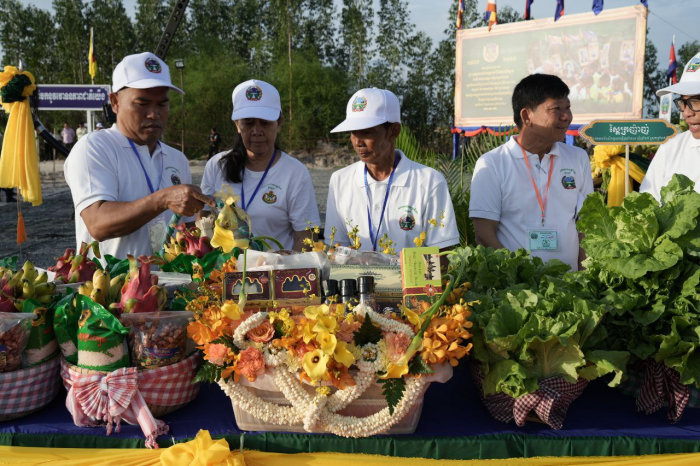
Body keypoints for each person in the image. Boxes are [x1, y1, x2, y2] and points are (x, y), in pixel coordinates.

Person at [64, 52, 214, 261]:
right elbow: (98, 224)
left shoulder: (176, 158)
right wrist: (162, 199)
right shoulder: (95, 148)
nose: (154, 114)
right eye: (142, 104)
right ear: (115, 102)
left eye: (162, 104)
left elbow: (188, 231)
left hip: (170, 281)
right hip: (110, 281)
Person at [469, 74, 593, 271]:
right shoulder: (493, 163)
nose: (566, 116)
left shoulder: (578, 158)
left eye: (568, 108)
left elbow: (587, 225)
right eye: (556, 109)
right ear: (527, 116)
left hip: (570, 284)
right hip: (516, 288)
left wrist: (584, 278)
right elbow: (484, 235)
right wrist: (521, 278)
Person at [325, 88, 459, 253]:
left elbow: (442, 253)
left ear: (394, 131)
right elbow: (337, 249)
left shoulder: (429, 182)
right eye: (353, 133)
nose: (358, 142)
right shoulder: (340, 181)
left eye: (367, 132)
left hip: (410, 272)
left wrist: (397, 268)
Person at [200, 79, 320, 251]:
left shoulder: (295, 173)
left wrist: (287, 263)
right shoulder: (217, 166)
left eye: (265, 123)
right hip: (223, 267)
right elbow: (203, 218)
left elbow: (305, 236)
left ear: (279, 123)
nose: (257, 131)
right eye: (248, 123)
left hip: (275, 267)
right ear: (237, 125)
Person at [641, 51, 700, 201]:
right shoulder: (671, 149)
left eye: (695, 102)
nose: (686, 113)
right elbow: (647, 202)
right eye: (683, 102)